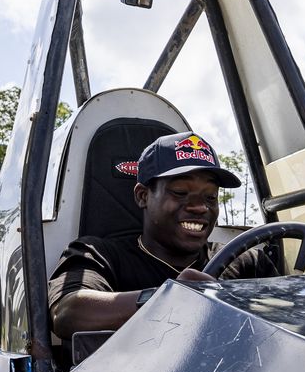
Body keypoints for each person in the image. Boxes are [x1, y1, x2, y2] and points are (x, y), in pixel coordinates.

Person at [49, 130, 283, 355]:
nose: (200, 207)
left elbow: (288, 320)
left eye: (210, 197)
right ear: (143, 196)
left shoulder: (245, 262)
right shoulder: (99, 254)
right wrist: (168, 298)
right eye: (180, 192)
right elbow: (68, 312)